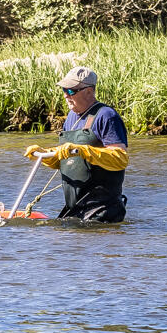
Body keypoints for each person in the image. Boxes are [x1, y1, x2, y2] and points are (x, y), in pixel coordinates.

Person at [24, 66, 129, 222]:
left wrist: (84, 151)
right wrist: (44, 155)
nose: (66, 95)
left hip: (102, 209)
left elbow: (120, 158)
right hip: (74, 209)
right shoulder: (72, 118)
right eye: (64, 90)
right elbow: (70, 160)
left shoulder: (107, 116)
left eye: (72, 91)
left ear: (89, 91)